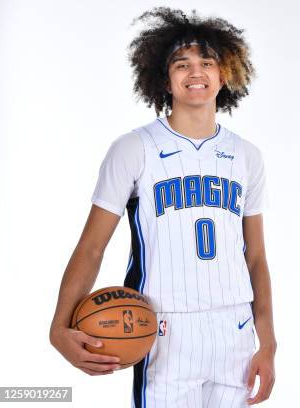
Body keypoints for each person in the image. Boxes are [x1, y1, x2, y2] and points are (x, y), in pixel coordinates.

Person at [49, 7, 276, 407]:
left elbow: (255, 257)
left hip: (235, 329)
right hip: (164, 326)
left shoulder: (246, 156)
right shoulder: (134, 148)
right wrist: (58, 326)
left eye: (207, 63)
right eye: (182, 64)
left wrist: (268, 342)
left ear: (225, 74)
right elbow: (92, 247)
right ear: (163, 78)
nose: (195, 73)